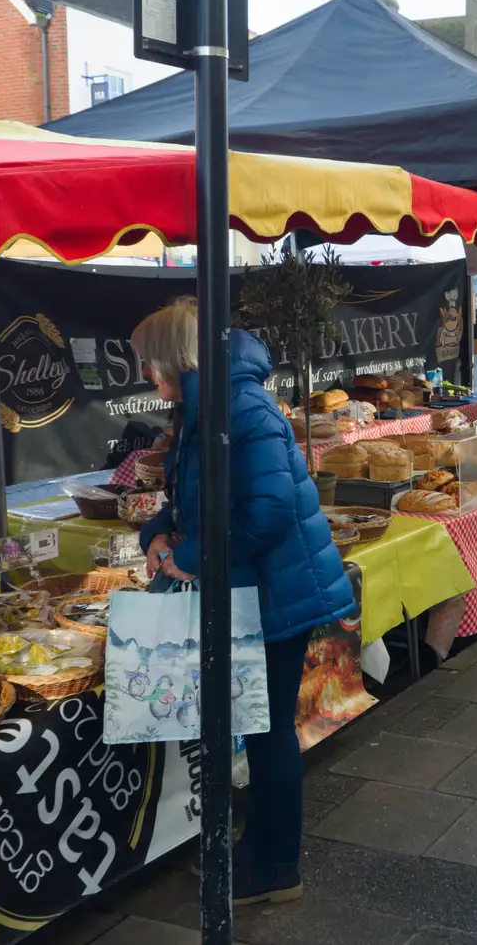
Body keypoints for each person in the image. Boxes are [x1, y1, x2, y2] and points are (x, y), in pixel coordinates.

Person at [132, 298, 354, 906]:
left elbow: (268, 513)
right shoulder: (206, 406)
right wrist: (158, 532)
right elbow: (197, 498)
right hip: (255, 591)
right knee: (259, 727)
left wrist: (196, 554)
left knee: (269, 731)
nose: (147, 376)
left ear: (177, 357)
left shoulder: (240, 405)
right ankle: (257, 851)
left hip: (275, 594)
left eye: (150, 362)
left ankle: (276, 867)